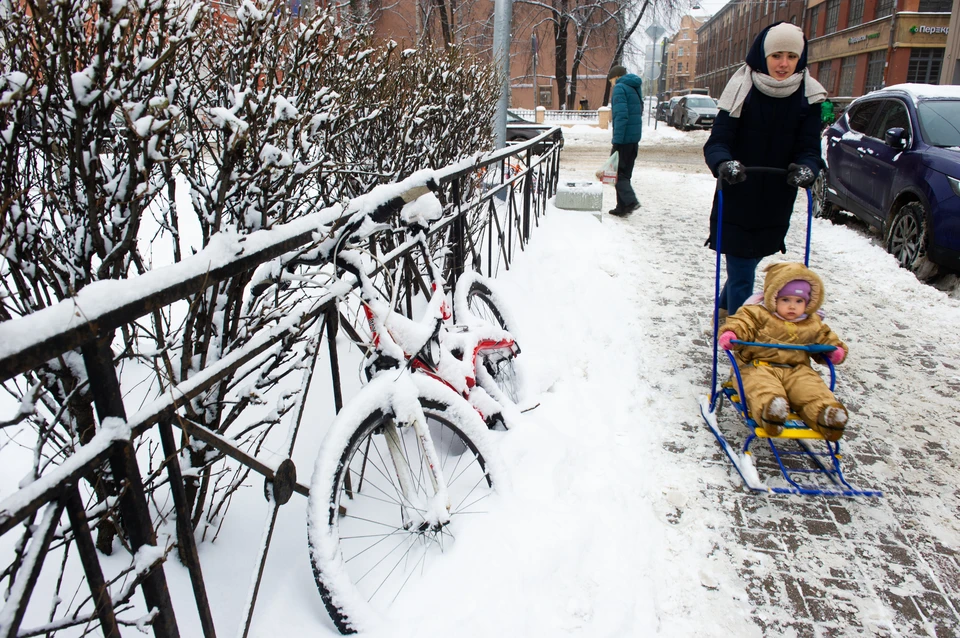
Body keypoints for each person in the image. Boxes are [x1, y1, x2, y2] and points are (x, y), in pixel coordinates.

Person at [703, 22, 827, 319]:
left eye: (791, 56)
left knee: (748, 263)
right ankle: (739, 340)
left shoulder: (807, 98)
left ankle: (723, 312)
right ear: (762, 56)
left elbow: (809, 148)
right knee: (743, 271)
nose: (783, 64)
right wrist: (724, 164)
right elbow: (718, 142)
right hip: (737, 194)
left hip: (776, 198)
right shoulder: (740, 90)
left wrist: (808, 168)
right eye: (776, 55)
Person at [718, 262, 848, 441]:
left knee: (811, 389)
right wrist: (731, 333)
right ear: (773, 298)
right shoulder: (757, 313)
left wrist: (834, 350)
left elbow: (824, 337)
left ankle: (827, 415)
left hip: (797, 369)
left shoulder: (812, 322)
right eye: (786, 300)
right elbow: (742, 323)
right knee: (761, 387)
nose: (792, 307)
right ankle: (771, 412)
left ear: (808, 302)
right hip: (758, 366)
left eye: (799, 301)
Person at [607, 65, 643, 217]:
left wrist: (617, 141)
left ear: (615, 77)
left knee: (617, 173)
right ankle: (622, 207)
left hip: (623, 139)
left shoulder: (620, 88)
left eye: (611, 82)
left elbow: (621, 116)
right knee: (625, 174)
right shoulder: (634, 87)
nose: (612, 85)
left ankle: (630, 202)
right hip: (634, 139)